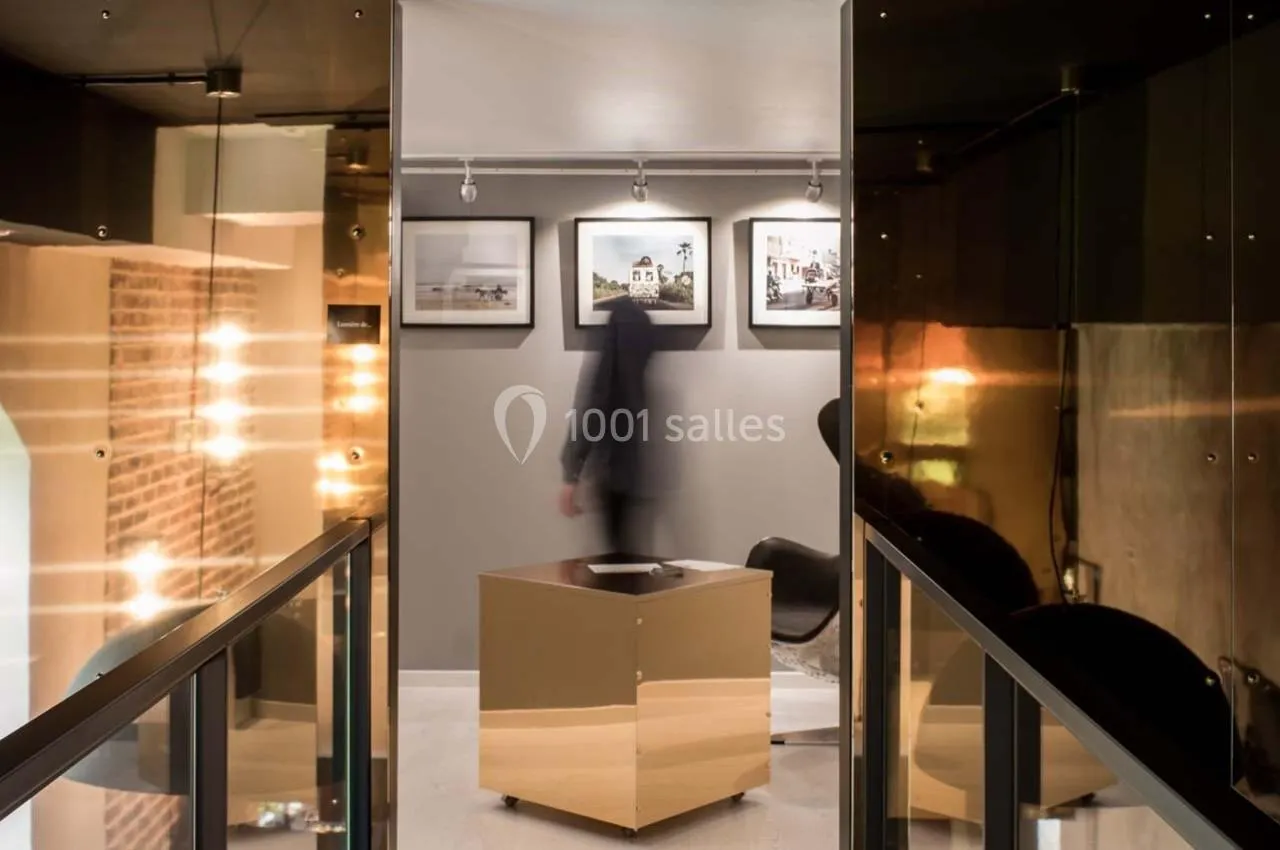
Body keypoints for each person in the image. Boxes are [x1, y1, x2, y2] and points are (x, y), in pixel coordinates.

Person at [559, 295, 656, 556]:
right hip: (630, 475)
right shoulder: (638, 374)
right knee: (625, 555)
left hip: (612, 474)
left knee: (616, 557)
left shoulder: (609, 371)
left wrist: (571, 473)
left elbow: (592, 412)